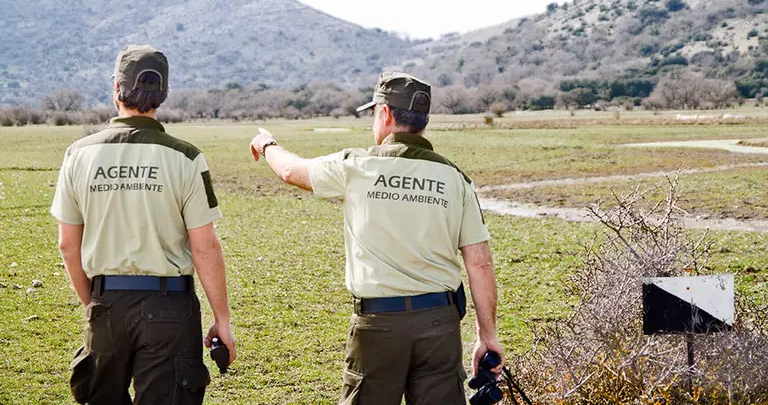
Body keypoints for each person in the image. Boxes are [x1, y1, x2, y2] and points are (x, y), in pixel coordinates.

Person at [249, 72, 504, 404]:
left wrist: (266, 143)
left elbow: (290, 171)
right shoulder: (454, 178)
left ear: (385, 114)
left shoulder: (357, 165)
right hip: (440, 326)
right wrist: (487, 336)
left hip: (378, 324)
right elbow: (479, 262)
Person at [51, 44, 236, 405]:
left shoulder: (78, 154)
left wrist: (94, 304)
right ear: (163, 94)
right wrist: (222, 320)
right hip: (171, 308)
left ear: (116, 90)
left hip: (107, 304)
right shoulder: (185, 156)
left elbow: (67, 245)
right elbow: (205, 247)